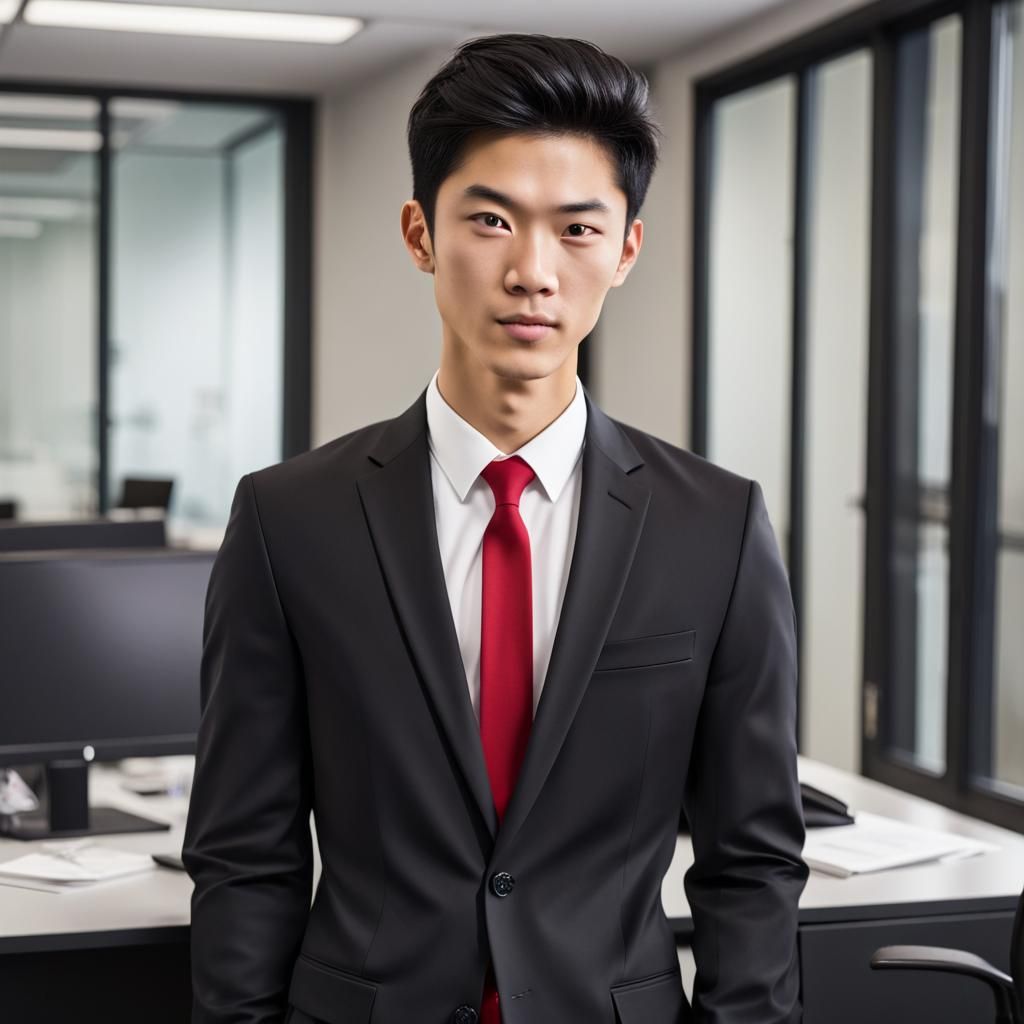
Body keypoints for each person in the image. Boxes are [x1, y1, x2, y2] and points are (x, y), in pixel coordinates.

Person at [182, 32, 808, 1024]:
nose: (532, 271)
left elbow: (753, 860)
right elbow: (243, 854)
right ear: (420, 234)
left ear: (626, 250)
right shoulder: (286, 518)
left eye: (576, 229)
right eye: (490, 219)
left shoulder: (717, 525)